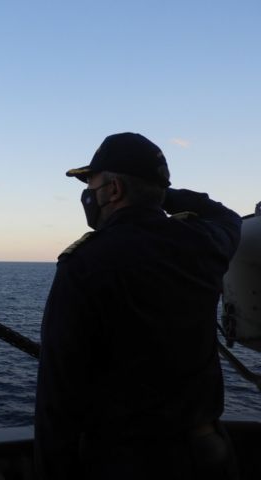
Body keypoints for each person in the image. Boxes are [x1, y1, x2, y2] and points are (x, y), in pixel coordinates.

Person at [34, 133, 242, 480]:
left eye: (92, 185)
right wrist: (156, 193)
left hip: (129, 462)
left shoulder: (83, 264)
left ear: (114, 190)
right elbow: (225, 216)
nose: (88, 195)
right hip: (209, 454)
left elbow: (57, 398)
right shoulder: (205, 243)